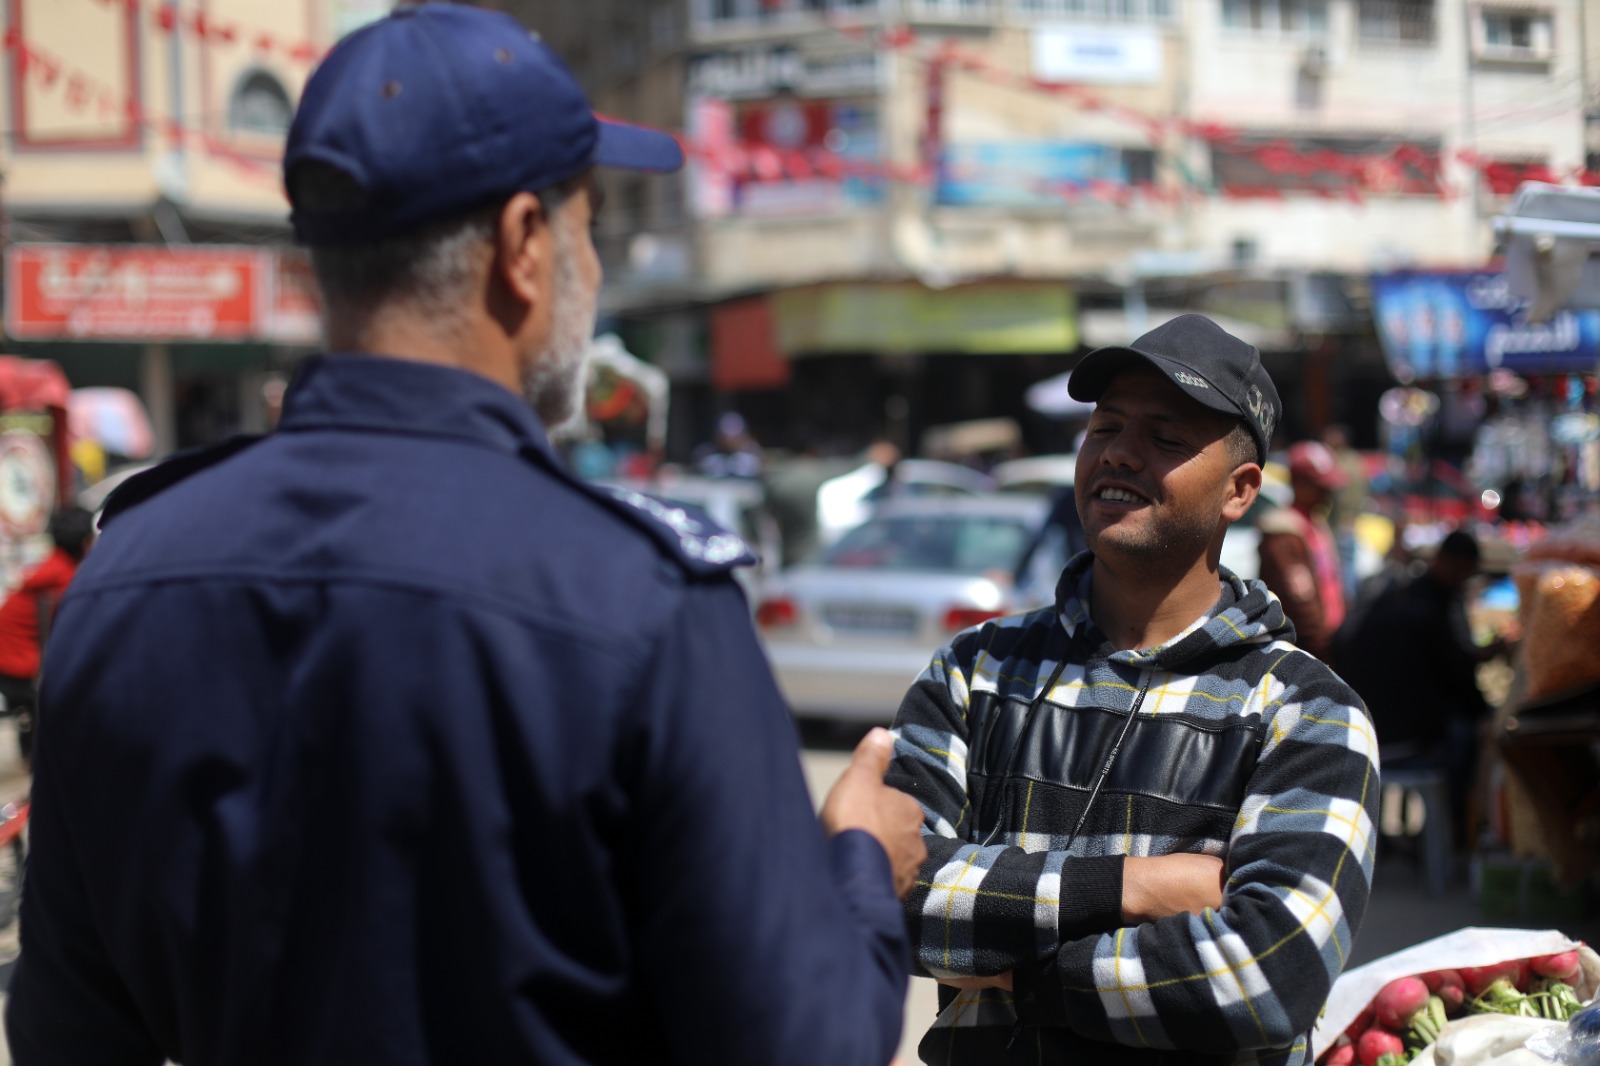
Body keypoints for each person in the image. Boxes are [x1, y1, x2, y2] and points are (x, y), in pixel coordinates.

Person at [6, 7, 925, 1066]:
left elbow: (66, 1031)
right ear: (525, 244)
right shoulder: (636, 601)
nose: (592, 261)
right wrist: (865, 866)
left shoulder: (126, 577)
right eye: (586, 222)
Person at [884, 314, 1379, 1066]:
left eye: (1165, 438)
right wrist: (1137, 887)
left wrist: (1016, 970)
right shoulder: (975, 672)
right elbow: (893, 901)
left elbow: (1267, 978)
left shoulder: (1307, 712)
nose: (1119, 452)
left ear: (1240, 491)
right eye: (1106, 427)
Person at [1332, 529, 1504, 848]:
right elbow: (1456, 677)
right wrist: (1486, 713)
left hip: (1366, 726)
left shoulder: (1399, 595)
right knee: (1467, 736)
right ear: (1457, 565)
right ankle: (1448, 837)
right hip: (1404, 738)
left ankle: (1424, 839)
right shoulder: (1431, 607)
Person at [0, 506, 95, 761]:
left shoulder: (51, 565)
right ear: (87, 542)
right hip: (24, 670)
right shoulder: (66, 579)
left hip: (10, 665)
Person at [1257, 439, 1349, 661]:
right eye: (1320, 487)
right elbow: (1301, 601)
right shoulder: (1283, 534)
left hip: (1332, 641)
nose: (1327, 494)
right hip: (1308, 653)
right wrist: (1324, 647)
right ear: (1299, 484)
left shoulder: (1314, 523)